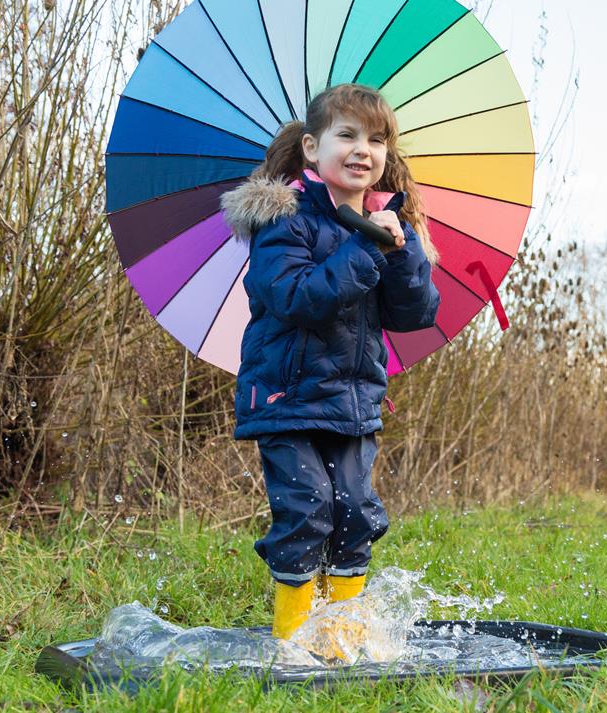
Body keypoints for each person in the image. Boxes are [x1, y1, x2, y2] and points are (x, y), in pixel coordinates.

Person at [220, 83, 440, 641]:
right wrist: (365, 249)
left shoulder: (387, 226)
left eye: (377, 139)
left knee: (355, 513)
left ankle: (341, 639)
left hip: (354, 400)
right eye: (347, 135)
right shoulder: (285, 222)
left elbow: (413, 313)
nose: (363, 148)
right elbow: (297, 298)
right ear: (313, 149)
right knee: (308, 508)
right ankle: (293, 639)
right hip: (286, 398)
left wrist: (403, 248)